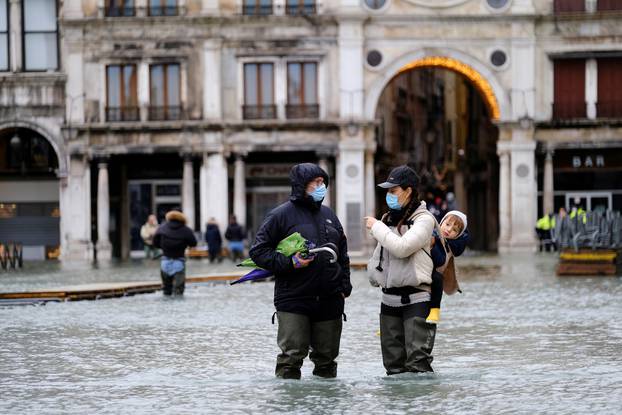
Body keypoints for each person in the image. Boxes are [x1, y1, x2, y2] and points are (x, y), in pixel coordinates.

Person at [249, 163, 351, 380]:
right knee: (291, 357)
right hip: (294, 298)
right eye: (316, 182)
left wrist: (344, 287)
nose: (321, 186)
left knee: (327, 359)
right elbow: (258, 252)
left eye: (323, 182)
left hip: (330, 299)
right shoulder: (280, 215)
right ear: (301, 185)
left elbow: (343, 253)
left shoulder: (329, 215)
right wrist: (290, 263)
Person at [364, 165, 437, 375]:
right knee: (393, 367)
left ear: (409, 190)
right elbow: (380, 256)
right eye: (387, 191)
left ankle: (419, 406)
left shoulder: (424, 219)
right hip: (388, 299)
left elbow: (403, 248)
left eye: (393, 191)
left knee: (418, 364)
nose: (388, 195)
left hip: (417, 298)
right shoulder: (388, 219)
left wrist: (377, 227)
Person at [426, 210, 470, 324]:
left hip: (432, 277)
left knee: (437, 277)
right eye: (447, 224)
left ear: (458, 235)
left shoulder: (449, 246)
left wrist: (434, 243)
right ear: (441, 222)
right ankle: (389, 325)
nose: (449, 230)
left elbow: (439, 261)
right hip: (416, 272)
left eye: (454, 230)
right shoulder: (428, 232)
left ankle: (435, 310)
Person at [153, 210, 197, 296]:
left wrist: (162, 247)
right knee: (179, 291)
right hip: (179, 260)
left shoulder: (162, 228)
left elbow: (155, 242)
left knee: (166, 290)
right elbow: (193, 243)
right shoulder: (186, 230)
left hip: (165, 260)